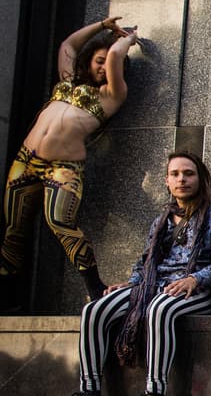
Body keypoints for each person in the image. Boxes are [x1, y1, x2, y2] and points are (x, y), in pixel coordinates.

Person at [48, 152, 211, 396]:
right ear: (167, 181)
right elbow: (146, 261)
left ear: (200, 178)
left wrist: (194, 278)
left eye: (188, 173)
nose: (182, 179)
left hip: (199, 291)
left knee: (160, 308)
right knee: (94, 310)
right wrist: (130, 283)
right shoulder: (162, 219)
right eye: (175, 174)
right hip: (153, 286)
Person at [1, 16, 138, 305]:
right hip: (26, 161)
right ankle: (7, 292)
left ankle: (96, 286)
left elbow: (114, 54)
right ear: (89, 61)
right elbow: (69, 44)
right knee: (13, 229)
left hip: (62, 168)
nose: (103, 66)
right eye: (97, 61)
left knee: (60, 221)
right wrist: (103, 24)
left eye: (108, 63)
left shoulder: (111, 95)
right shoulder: (66, 83)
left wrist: (128, 39)